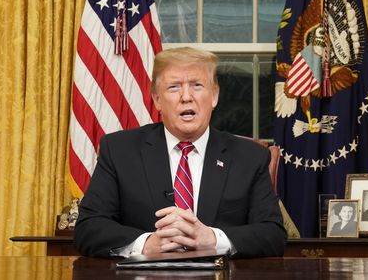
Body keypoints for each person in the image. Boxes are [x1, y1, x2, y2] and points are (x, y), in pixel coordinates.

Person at [74, 47, 287, 258]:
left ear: (214, 96)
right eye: (174, 87)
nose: (186, 97)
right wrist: (146, 244)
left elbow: (273, 234)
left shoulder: (250, 157)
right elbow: (88, 228)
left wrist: (213, 239)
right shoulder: (119, 150)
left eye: (197, 85)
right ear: (157, 100)